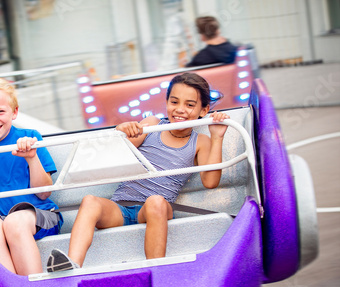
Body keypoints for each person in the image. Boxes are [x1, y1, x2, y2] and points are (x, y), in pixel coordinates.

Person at [46, 72, 229, 272]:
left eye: (190, 105)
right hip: (122, 206)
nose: (180, 110)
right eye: (174, 102)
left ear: (204, 110)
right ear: (166, 102)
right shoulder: (152, 124)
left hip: (155, 209)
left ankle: (156, 270)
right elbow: (119, 149)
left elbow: (210, 181)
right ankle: (71, 264)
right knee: (90, 201)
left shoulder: (200, 141)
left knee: (156, 201)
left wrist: (217, 136)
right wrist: (123, 130)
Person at [0, 78, 62, 275]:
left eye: (0, 111)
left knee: (14, 222)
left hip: (40, 215)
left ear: (14, 112)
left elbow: (44, 193)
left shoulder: (31, 137)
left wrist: (32, 158)